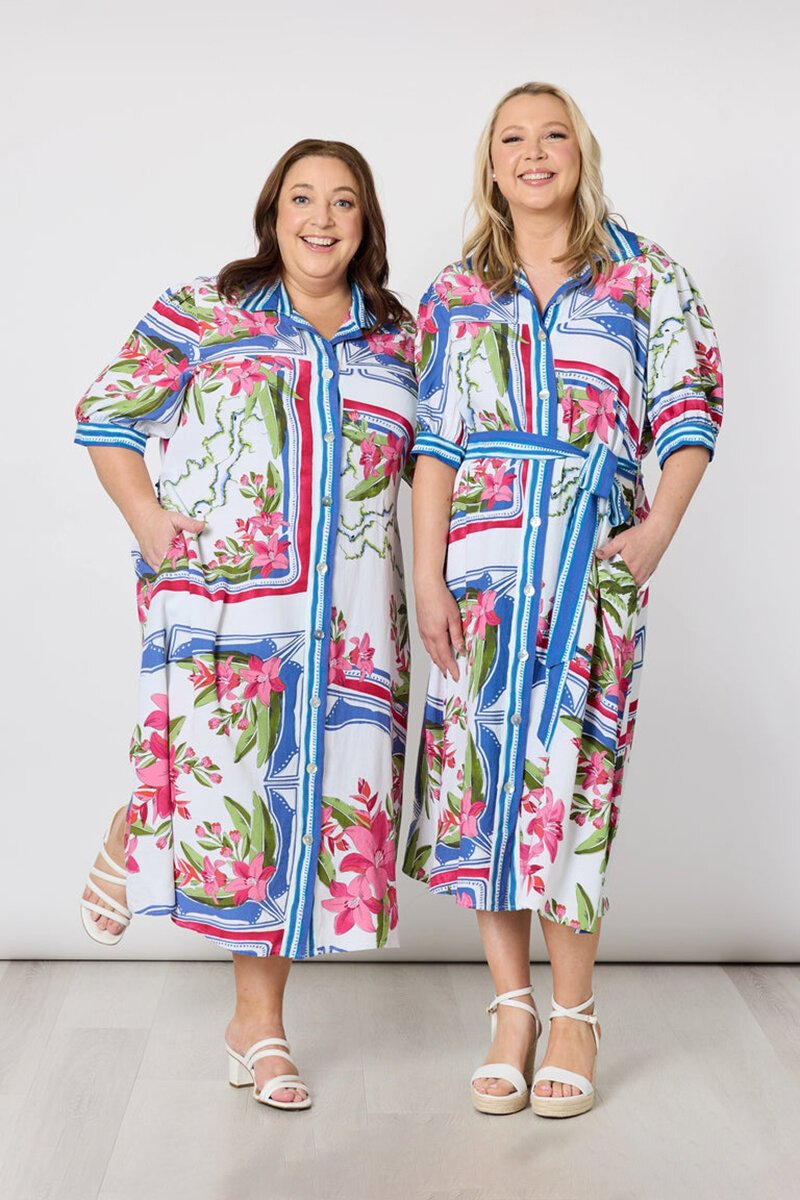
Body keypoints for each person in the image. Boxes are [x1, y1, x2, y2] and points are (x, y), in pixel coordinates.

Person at [76, 139, 416, 1110]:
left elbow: (436, 469)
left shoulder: (402, 341)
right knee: (239, 804)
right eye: (302, 198)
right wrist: (148, 520)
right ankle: (257, 1025)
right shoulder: (207, 309)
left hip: (350, 620)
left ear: (364, 222)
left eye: (342, 201)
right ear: (273, 215)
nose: (321, 218)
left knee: (302, 817)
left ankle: (253, 1023)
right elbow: (105, 415)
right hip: (228, 607)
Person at [404, 83, 723, 1118]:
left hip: (591, 569)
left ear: (579, 153)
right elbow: (434, 446)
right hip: (479, 575)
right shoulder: (457, 292)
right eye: (513, 138)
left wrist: (657, 531)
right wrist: (426, 577)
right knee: (482, 787)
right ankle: (511, 1011)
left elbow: (689, 409)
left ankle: (574, 1014)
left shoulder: (644, 274)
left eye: (552, 136)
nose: (533, 152)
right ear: (491, 164)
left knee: (575, 789)